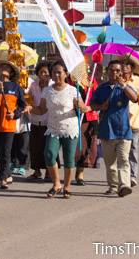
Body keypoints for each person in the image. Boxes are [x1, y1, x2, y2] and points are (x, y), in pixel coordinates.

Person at [32, 61, 89, 199]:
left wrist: (79, 106)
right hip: (53, 128)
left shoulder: (72, 90)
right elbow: (41, 109)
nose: (56, 75)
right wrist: (29, 108)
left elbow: (84, 108)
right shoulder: (47, 90)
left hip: (70, 129)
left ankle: (67, 186)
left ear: (66, 74)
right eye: (54, 73)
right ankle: (56, 184)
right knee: (49, 154)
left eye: (59, 72)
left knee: (69, 160)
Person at [90, 60, 139, 198]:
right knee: (110, 162)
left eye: (118, 70)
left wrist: (123, 86)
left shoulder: (125, 87)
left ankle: (124, 185)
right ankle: (113, 186)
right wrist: (101, 107)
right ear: (107, 72)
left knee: (123, 160)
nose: (115, 73)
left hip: (123, 131)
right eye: (112, 70)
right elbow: (93, 105)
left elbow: (135, 98)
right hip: (107, 130)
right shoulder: (102, 88)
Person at [0, 60, 28, 189]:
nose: (4, 68)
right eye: (2, 66)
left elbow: (23, 106)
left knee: (6, 153)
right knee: (0, 153)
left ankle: (3, 179)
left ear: (11, 72)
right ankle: (8, 175)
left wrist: (15, 114)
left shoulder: (16, 87)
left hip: (8, 125)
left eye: (7, 67)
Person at [123, 60, 139, 187]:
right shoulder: (115, 80)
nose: (124, 67)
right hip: (118, 123)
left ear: (132, 68)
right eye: (123, 65)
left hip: (134, 122)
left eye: (127, 65)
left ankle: (132, 176)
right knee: (120, 152)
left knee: (133, 149)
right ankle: (121, 176)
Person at [75, 63, 101, 186]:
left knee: (91, 144)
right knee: (81, 145)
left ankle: (83, 169)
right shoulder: (72, 82)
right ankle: (78, 171)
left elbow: (98, 99)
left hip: (92, 116)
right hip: (77, 117)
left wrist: (89, 107)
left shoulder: (92, 82)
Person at [27, 62, 51, 181]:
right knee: (35, 148)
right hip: (35, 120)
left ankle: (49, 171)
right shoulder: (33, 85)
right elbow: (29, 98)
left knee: (48, 148)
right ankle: (36, 171)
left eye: (46, 73)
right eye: (41, 72)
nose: (43, 75)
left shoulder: (52, 86)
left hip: (49, 122)